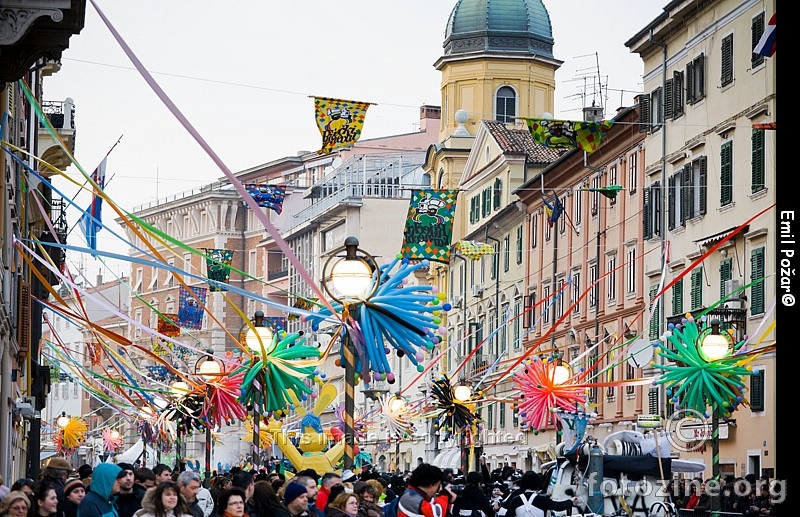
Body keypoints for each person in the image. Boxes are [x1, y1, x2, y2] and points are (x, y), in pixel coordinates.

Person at [497, 471, 579, 517]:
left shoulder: (516, 500)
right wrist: (571, 501)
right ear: (537, 484)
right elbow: (558, 506)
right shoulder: (541, 500)